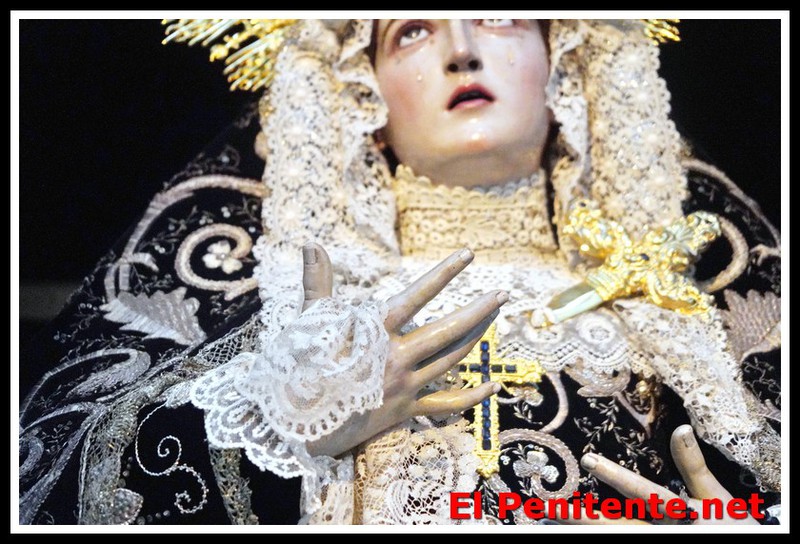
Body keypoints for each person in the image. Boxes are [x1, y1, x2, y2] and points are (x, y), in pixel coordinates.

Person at [18, 18, 781, 526]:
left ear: (566, 66)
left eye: (501, 17)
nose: (461, 49)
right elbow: (74, 483)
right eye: (411, 31)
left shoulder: (679, 319)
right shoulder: (288, 315)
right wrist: (293, 425)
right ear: (363, 96)